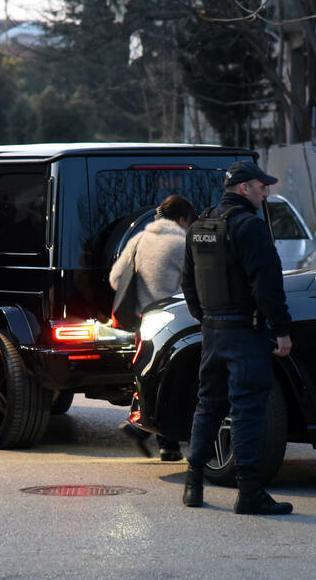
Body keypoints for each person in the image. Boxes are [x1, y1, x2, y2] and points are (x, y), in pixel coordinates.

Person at [180, 160, 294, 515]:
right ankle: (249, 493)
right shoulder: (249, 227)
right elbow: (268, 287)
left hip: (213, 331)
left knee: (209, 405)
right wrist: (282, 329)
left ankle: (193, 483)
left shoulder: (201, 225)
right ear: (244, 188)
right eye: (262, 186)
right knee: (246, 410)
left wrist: (206, 319)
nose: (266, 191)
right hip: (245, 332)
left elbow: (188, 281)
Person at [110, 195, 197, 461]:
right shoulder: (182, 243)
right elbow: (194, 284)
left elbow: (116, 279)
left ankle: (152, 436)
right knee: (175, 382)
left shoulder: (138, 241)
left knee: (151, 379)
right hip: (174, 321)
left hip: (144, 322)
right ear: (182, 220)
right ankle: (164, 441)